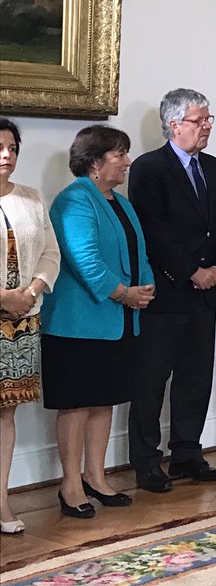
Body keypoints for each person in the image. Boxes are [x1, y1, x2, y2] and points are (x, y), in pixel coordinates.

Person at [127, 89, 216, 492]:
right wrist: (191, 271)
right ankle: (146, 461)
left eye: (209, 119)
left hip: (206, 293)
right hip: (167, 292)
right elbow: (152, 231)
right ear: (174, 125)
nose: (207, 126)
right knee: (151, 380)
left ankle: (187, 453)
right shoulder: (149, 168)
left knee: (196, 377)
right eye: (199, 120)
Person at [41, 126, 154, 519]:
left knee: (104, 399)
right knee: (76, 404)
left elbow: (139, 251)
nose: (127, 162)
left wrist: (145, 288)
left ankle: (96, 476)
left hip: (118, 320)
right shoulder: (74, 199)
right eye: (119, 154)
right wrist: (124, 293)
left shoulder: (121, 202)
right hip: (77, 323)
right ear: (93, 162)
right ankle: (70, 484)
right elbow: (84, 259)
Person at [0, 118, 60, 533]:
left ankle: (1, 501)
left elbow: (50, 253)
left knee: (6, 414)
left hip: (22, 322)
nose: (6, 155)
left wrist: (32, 290)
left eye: (12, 148)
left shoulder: (31, 198)